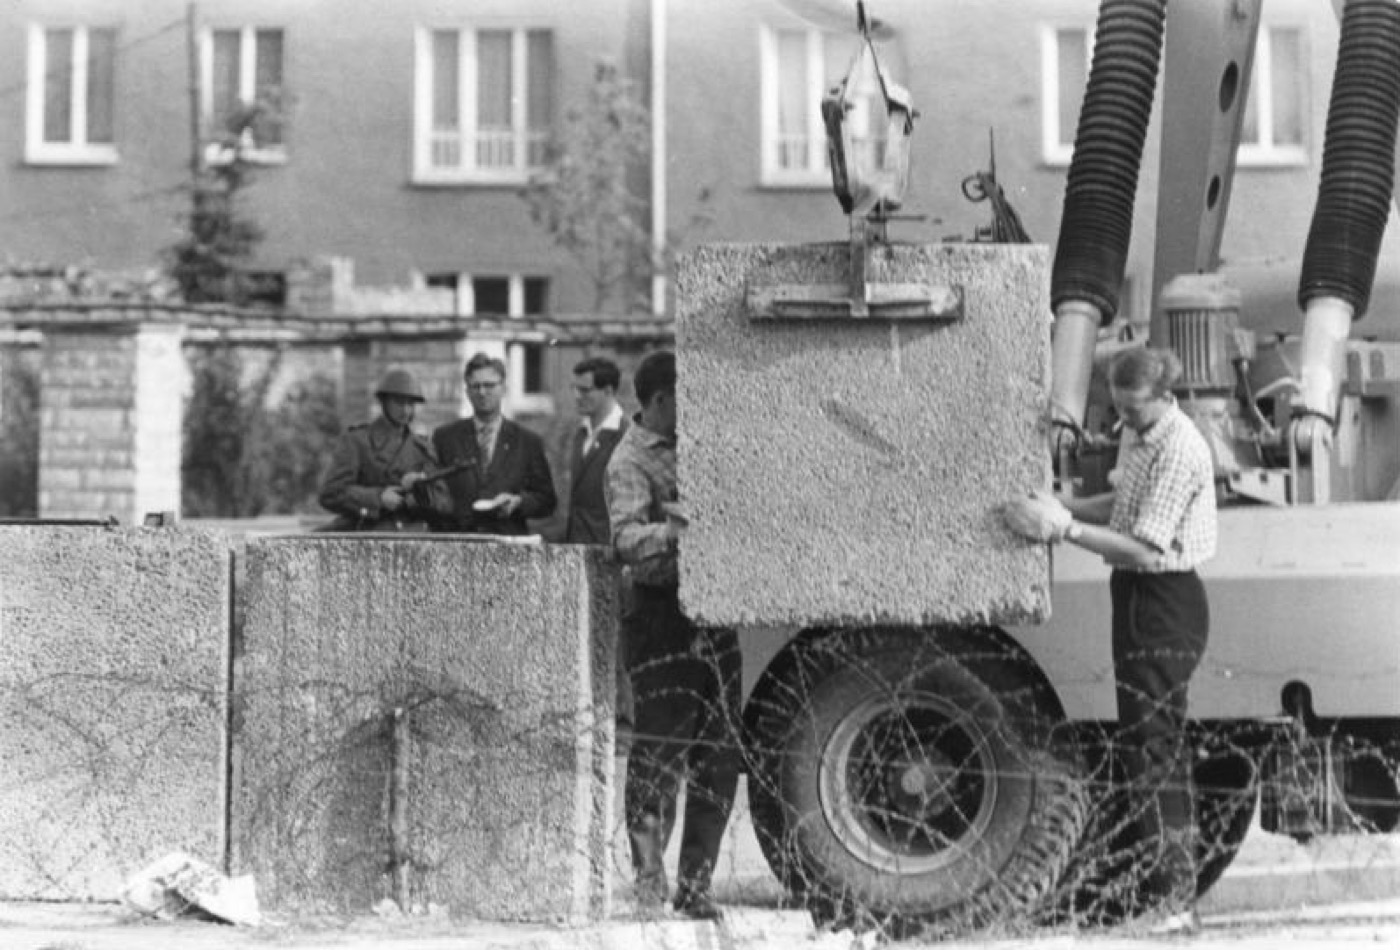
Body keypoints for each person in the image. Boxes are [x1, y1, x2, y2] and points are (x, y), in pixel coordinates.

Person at [1002, 346, 1216, 935]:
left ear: (1164, 397)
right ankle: (1157, 890)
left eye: (1134, 410)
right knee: (1141, 743)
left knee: (1154, 749)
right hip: (1138, 596)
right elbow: (1123, 510)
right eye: (1117, 409)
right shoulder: (1142, 435)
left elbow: (1146, 544)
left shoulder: (1179, 448)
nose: (1124, 421)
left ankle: (1172, 900)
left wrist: (1064, 529)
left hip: (1166, 599)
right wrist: (1065, 505)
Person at [605, 350, 741, 921]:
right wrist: (673, 531)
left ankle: (696, 886)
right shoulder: (629, 461)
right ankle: (648, 885)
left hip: (712, 613)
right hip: (662, 616)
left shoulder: (698, 444)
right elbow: (625, 542)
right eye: (685, 397)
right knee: (659, 757)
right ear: (660, 399)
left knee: (719, 756)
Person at [417, 352, 556, 535]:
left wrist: (518, 502)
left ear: (504, 388)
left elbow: (547, 500)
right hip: (459, 545)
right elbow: (434, 496)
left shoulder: (527, 441)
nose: (482, 392)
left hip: (508, 547)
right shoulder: (445, 438)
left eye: (489, 385)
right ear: (467, 392)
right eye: (475, 386)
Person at [318, 368, 446, 531]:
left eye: (410, 403)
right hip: (365, 534)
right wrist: (378, 498)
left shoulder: (423, 449)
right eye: (399, 403)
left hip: (412, 538)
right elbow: (331, 493)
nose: (406, 410)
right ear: (384, 402)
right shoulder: (358, 441)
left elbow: (445, 503)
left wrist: (419, 491)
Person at [564, 356, 628, 545]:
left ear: (608, 391)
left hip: (609, 550)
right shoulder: (580, 433)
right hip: (576, 548)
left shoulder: (626, 435)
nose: (577, 396)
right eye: (574, 389)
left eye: (584, 390)